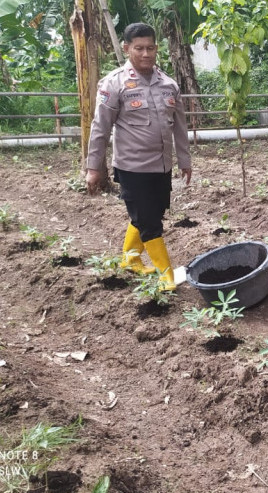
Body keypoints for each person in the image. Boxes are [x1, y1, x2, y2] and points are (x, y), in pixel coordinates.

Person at [85, 22, 192, 291]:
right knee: (150, 222)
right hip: (132, 168)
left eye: (151, 48)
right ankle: (167, 275)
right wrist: (93, 168)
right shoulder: (114, 84)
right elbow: (100, 128)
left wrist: (185, 160)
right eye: (139, 48)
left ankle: (131, 260)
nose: (146, 54)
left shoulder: (168, 85)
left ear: (157, 48)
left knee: (149, 214)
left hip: (161, 166)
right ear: (126, 48)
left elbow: (179, 126)